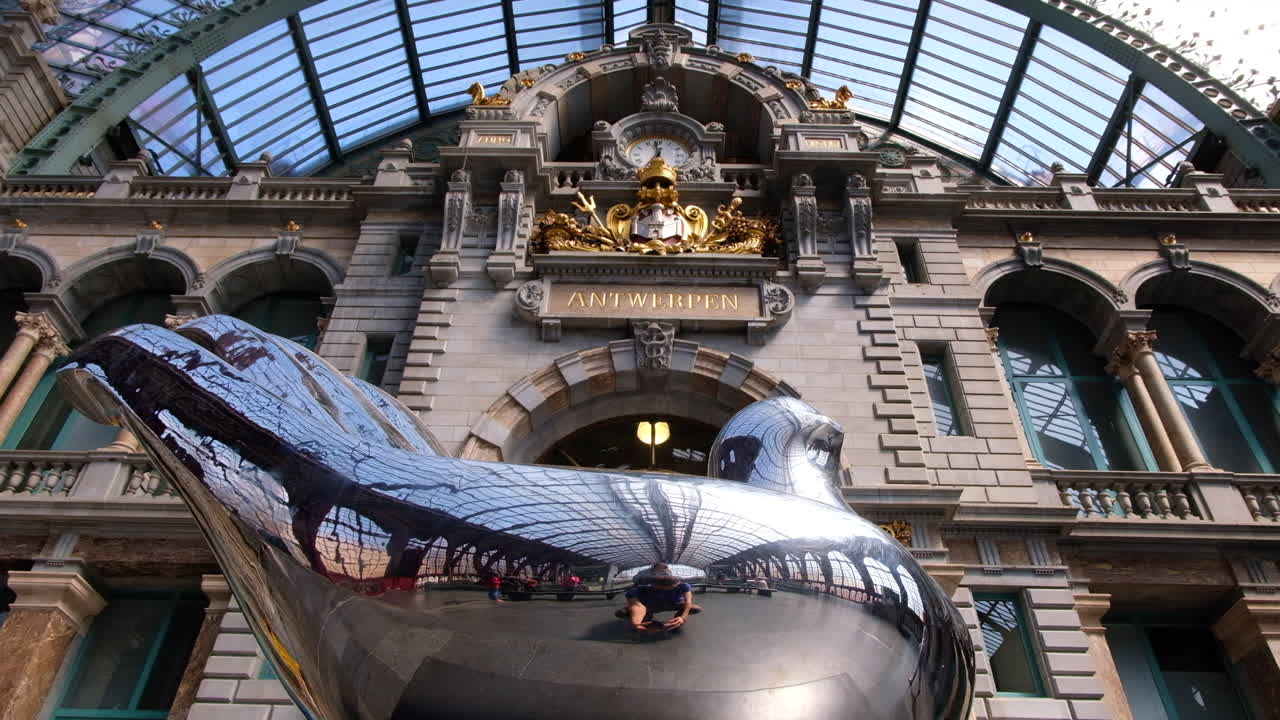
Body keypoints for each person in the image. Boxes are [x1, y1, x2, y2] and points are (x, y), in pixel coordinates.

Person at [615, 568, 701, 632]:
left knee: (695, 608)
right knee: (621, 613)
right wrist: (636, 622)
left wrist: (683, 617)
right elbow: (637, 606)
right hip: (650, 606)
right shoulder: (639, 589)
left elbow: (688, 602)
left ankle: (676, 620)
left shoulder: (683, 586)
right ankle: (647, 616)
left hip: (672, 604)